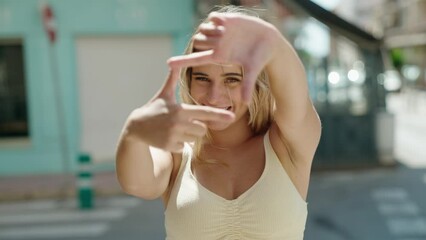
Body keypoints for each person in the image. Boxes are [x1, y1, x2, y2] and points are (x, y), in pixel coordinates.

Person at [116, 5, 321, 240]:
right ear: (188, 81)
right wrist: (133, 131)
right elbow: (137, 185)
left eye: (232, 79)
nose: (215, 96)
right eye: (202, 78)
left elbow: (296, 97)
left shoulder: (285, 145)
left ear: (256, 82)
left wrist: (271, 41)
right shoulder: (178, 152)